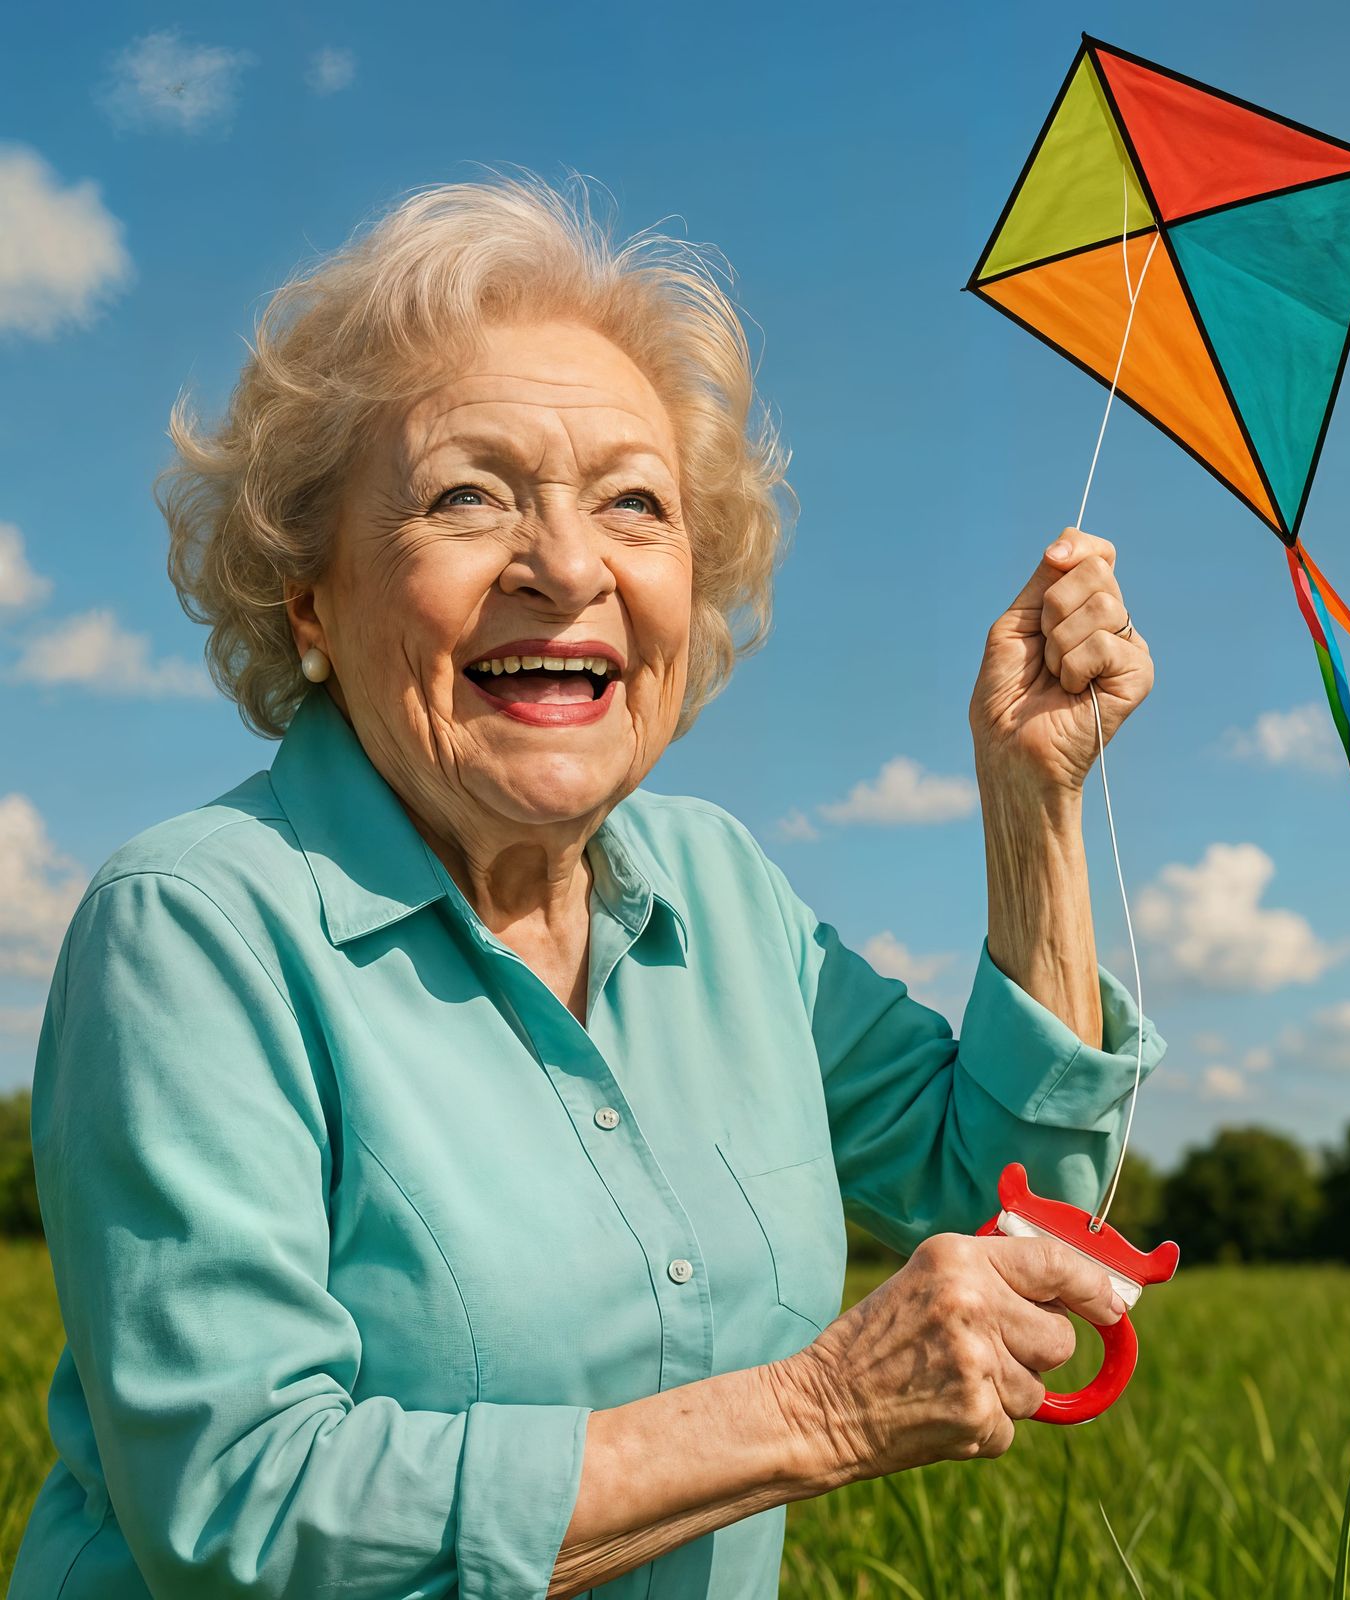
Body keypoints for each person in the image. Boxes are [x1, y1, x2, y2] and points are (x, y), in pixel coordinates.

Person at [9, 171, 1162, 1600]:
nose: (566, 566)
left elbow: (1017, 1201)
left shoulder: (722, 886)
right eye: (467, 496)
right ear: (312, 600)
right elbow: (241, 1509)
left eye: (633, 504)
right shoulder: (194, 928)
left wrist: (1031, 801)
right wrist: (814, 1412)